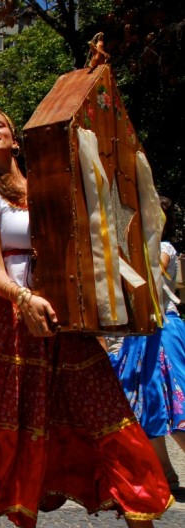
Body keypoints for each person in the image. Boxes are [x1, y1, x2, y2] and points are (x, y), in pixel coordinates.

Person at [0, 108, 172, 527]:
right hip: (9, 327)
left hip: (65, 324)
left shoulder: (51, 185)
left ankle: (138, 513)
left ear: (16, 139)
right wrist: (23, 297)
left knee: (107, 420)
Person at [108, 196, 185, 491]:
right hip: (140, 335)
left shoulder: (164, 249)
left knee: (174, 399)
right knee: (146, 404)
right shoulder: (134, 252)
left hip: (163, 331)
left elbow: (152, 275)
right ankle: (166, 472)